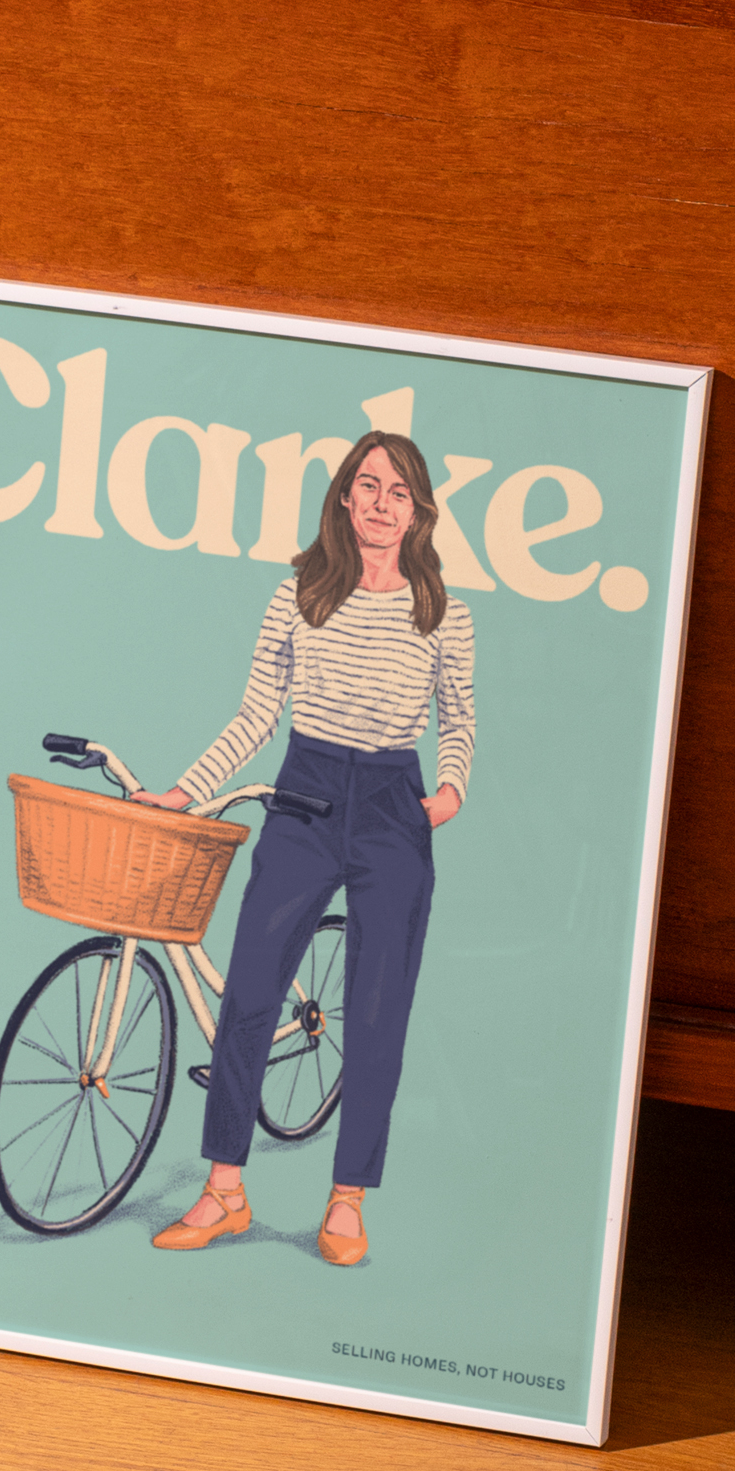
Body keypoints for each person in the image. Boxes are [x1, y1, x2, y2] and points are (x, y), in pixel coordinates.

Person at [142, 431, 474, 1267]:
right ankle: (225, 1191)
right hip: (305, 795)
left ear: (419, 510)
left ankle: (348, 1198)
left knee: (375, 1007)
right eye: (367, 485)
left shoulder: (444, 612)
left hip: (395, 807)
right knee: (250, 988)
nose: (380, 503)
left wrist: (447, 794)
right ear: (342, 497)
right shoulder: (299, 594)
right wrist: (184, 790)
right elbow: (256, 714)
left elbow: (458, 719)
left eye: (399, 492)